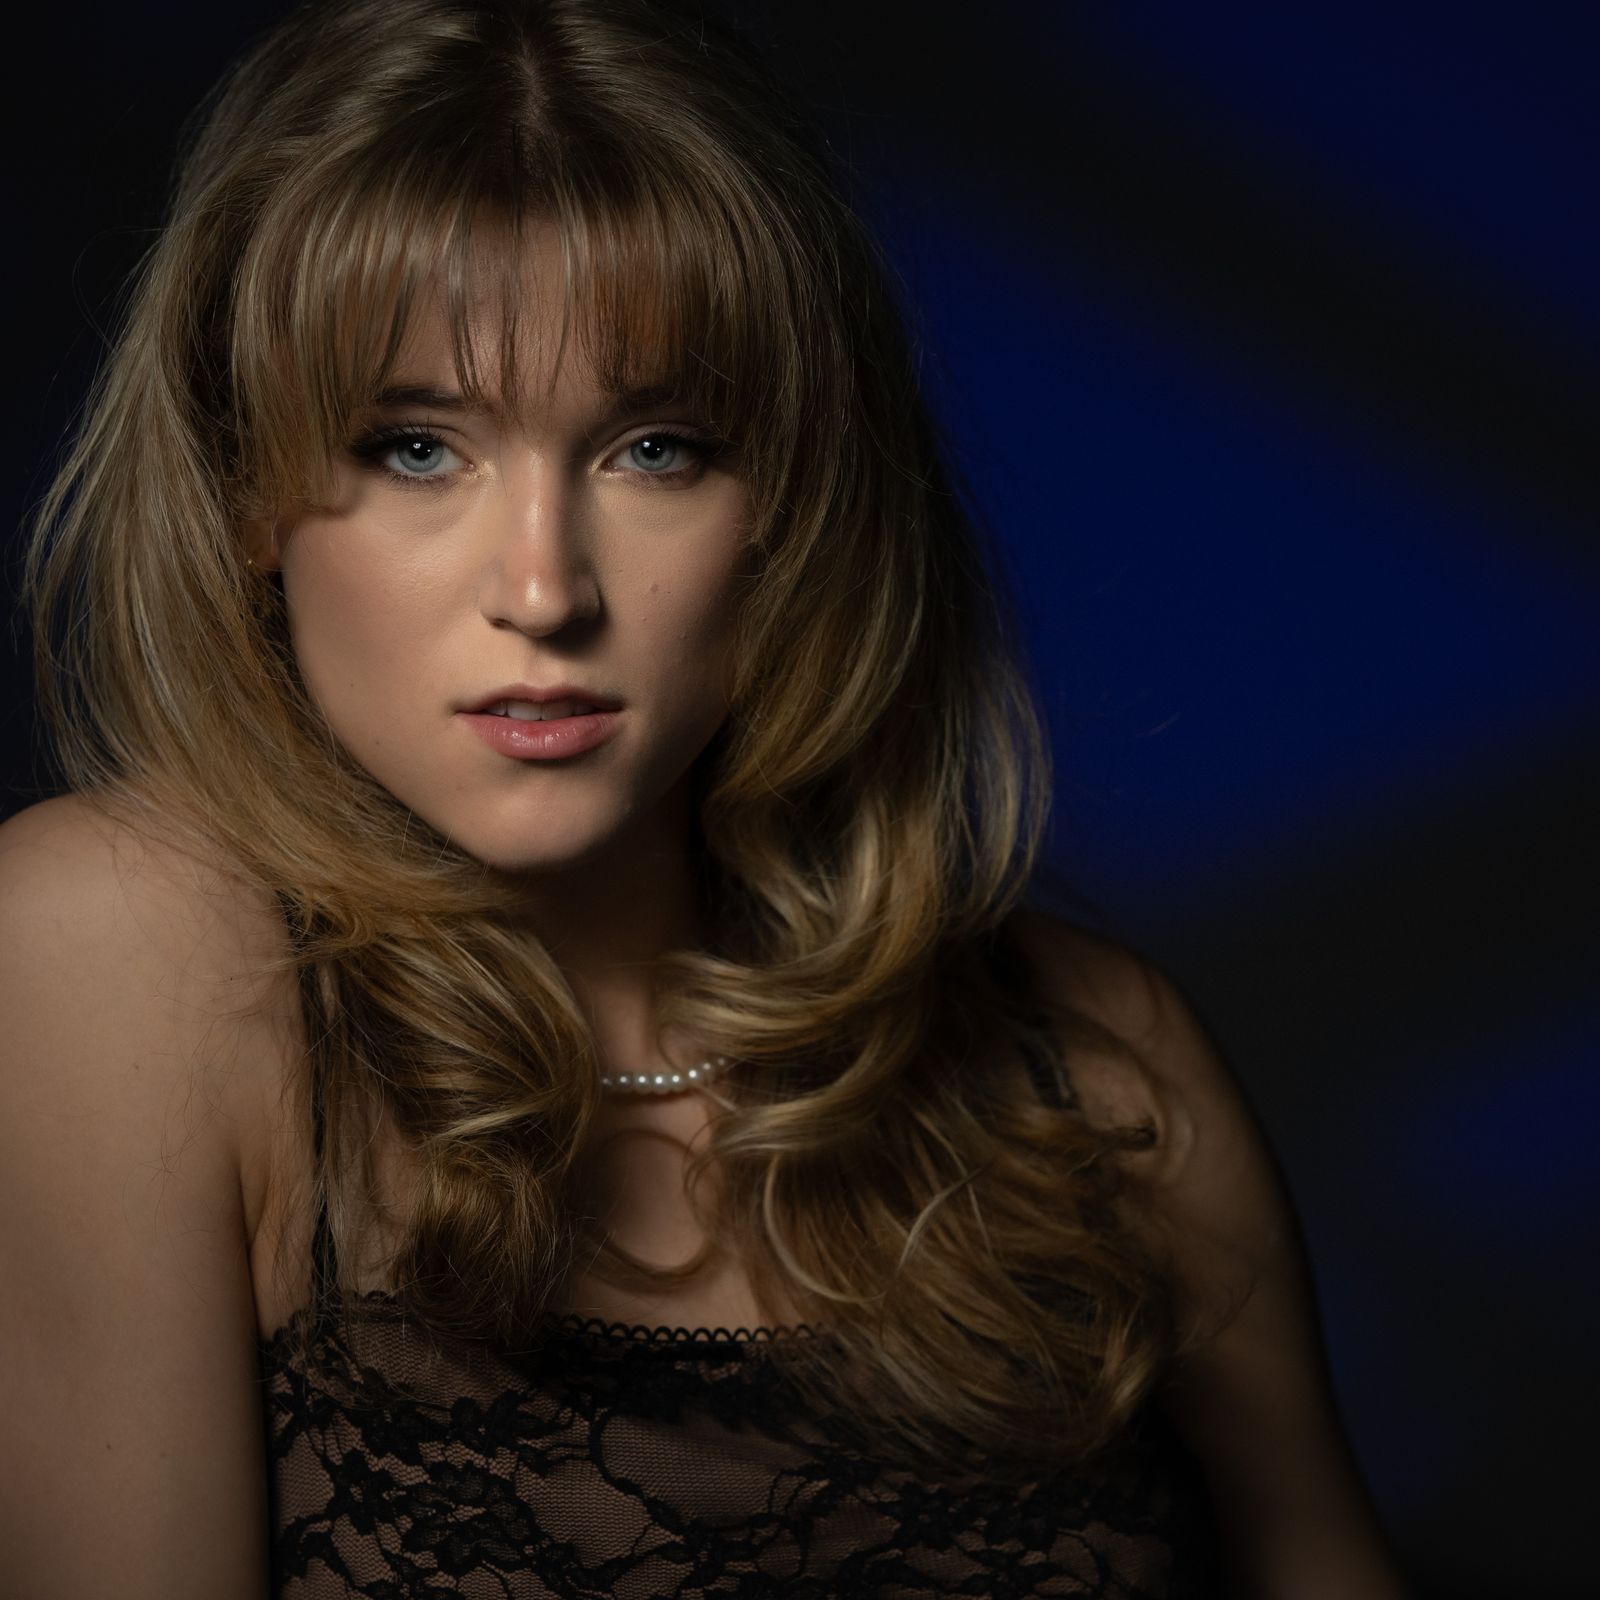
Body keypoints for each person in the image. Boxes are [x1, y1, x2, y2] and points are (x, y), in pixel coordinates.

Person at [0, 1, 1412, 1595]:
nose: (544, 589)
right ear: (248, 494)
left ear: (790, 504)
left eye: (657, 448)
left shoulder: (1093, 1069)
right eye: (416, 448)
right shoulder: (120, 954)